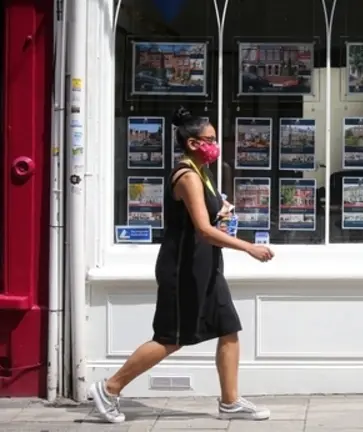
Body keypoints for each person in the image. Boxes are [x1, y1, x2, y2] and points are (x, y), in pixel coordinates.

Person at [89, 107, 275, 423]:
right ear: (192, 143)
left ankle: (230, 401)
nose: (216, 144)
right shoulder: (187, 175)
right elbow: (203, 229)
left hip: (206, 266)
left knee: (228, 328)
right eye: (211, 139)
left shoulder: (202, 171)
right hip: (183, 267)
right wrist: (249, 248)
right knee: (171, 337)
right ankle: (109, 388)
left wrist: (224, 207)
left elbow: (207, 214)